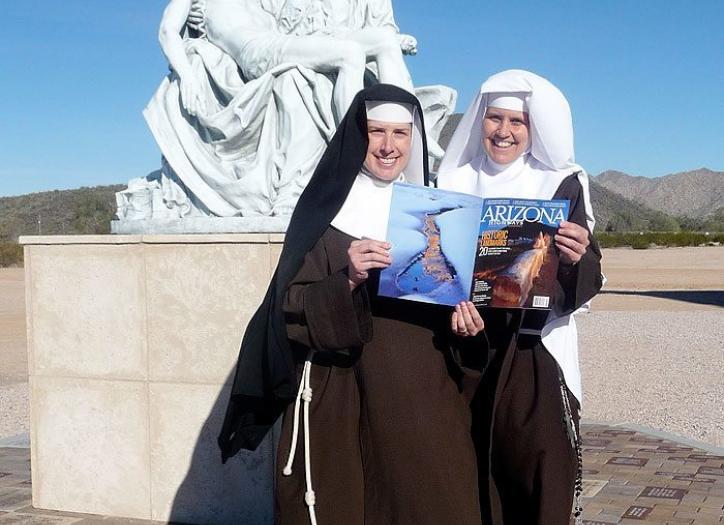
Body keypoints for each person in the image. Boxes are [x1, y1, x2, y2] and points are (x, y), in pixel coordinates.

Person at [218, 83, 482, 524]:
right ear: (357, 136)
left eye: (400, 134)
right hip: (341, 392)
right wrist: (347, 278)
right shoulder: (325, 213)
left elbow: (451, 306)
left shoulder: (441, 213)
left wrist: (468, 326)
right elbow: (288, 308)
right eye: (376, 131)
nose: (388, 146)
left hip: (419, 391)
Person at [437, 69, 603, 525]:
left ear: (535, 128)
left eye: (518, 122)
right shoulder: (451, 178)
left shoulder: (560, 182)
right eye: (495, 119)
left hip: (534, 351)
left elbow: (590, 273)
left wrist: (573, 257)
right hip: (464, 345)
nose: (504, 132)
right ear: (480, 121)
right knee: (468, 467)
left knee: (538, 467)